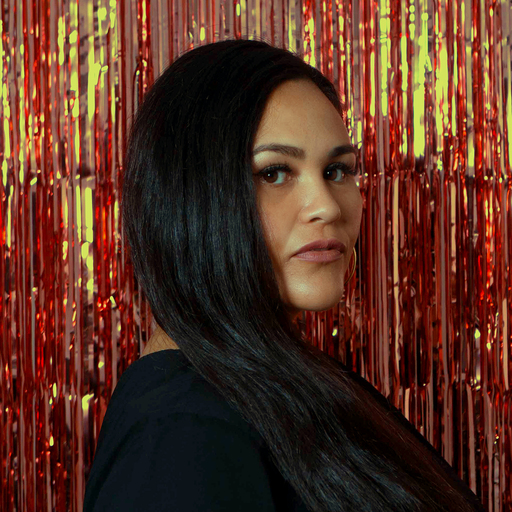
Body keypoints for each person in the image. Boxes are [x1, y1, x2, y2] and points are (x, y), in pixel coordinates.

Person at [83, 38, 485, 511]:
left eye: (337, 170)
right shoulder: (183, 430)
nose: (327, 206)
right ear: (189, 198)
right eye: (274, 173)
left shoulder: (280, 382)